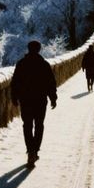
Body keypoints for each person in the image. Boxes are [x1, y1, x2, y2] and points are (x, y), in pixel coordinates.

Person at [11, 40, 57, 169]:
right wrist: (53, 98)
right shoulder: (44, 65)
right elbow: (51, 83)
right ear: (39, 49)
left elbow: (15, 83)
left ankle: (30, 150)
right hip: (40, 101)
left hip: (25, 101)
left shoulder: (21, 64)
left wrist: (14, 97)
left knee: (27, 125)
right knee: (39, 125)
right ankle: (35, 150)